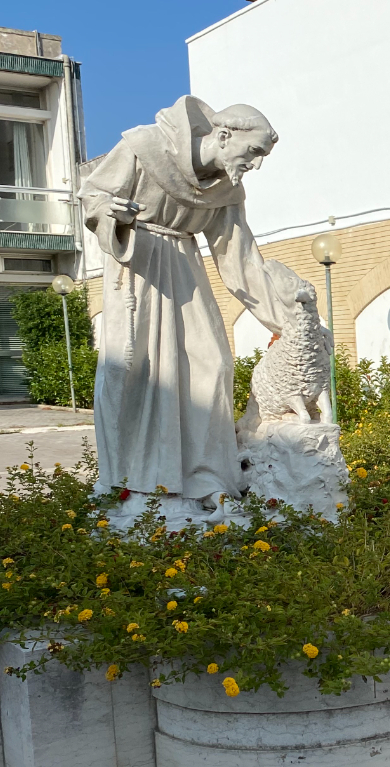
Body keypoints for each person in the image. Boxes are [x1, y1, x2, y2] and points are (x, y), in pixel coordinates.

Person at [81, 96, 295, 508]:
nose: (256, 164)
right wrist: (112, 212)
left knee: (211, 365)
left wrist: (288, 323)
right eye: (253, 152)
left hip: (184, 270)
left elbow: (241, 258)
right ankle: (134, 486)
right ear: (224, 134)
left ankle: (205, 479)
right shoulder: (145, 146)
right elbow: (93, 196)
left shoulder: (226, 191)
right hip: (138, 270)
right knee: (135, 373)